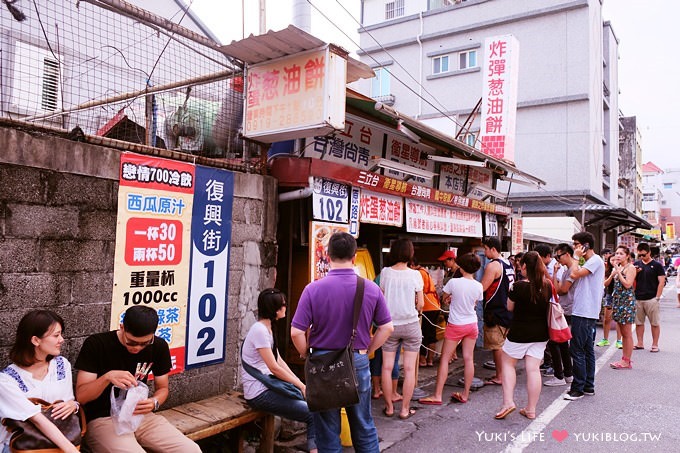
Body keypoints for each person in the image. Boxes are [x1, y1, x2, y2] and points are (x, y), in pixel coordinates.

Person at [291, 232, 393, 453]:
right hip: (357, 360)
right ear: (354, 257)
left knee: (327, 431)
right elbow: (387, 328)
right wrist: (368, 350)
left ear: (328, 256)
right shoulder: (371, 288)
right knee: (363, 426)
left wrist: (304, 354)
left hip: (322, 362)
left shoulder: (313, 289)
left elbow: (296, 332)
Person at [75, 306, 201, 453]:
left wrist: (154, 402)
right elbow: (81, 397)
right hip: (103, 418)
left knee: (191, 450)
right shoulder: (97, 344)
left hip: (139, 414)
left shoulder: (158, 346)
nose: (138, 348)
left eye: (145, 343)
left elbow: (163, 388)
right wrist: (107, 377)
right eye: (132, 342)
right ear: (122, 327)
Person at [241, 289, 316, 452]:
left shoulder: (267, 328)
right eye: (283, 304)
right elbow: (274, 368)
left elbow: (279, 360)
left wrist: (298, 383)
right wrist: (302, 387)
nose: (285, 307)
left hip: (267, 387)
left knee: (315, 407)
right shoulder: (259, 331)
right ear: (273, 309)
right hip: (258, 393)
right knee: (313, 414)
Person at [0, 310, 80, 453]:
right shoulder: (6, 380)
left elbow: (69, 400)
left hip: (58, 444)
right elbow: (37, 419)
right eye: (56, 335)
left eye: (61, 334)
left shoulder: (62, 365)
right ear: (36, 340)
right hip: (22, 447)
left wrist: (73, 405)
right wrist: (72, 450)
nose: (61, 339)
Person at [418, 253, 482, 406]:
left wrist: (449, 299)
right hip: (472, 324)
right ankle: (465, 394)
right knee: (468, 359)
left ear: (461, 266)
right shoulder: (478, 286)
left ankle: (437, 395)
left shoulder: (454, 282)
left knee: (445, 360)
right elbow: (474, 303)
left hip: (456, 324)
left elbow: (444, 297)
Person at [494, 252, 551, 420]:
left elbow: (509, 307)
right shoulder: (547, 285)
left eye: (521, 265)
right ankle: (531, 409)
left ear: (525, 266)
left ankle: (508, 402)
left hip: (519, 332)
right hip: (541, 334)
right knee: (533, 369)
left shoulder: (517, 286)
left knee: (508, 364)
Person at [378, 239, 424, 420]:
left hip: (389, 326)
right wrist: (413, 308)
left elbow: (381, 299)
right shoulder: (415, 275)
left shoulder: (385, 273)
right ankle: (405, 409)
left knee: (387, 367)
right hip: (411, 324)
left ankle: (389, 407)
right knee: (410, 368)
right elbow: (420, 303)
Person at [564, 232, 605, 401]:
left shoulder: (595, 260)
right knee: (587, 350)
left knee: (577, 349)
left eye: (576, 244)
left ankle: (578, 388)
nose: (575, 247)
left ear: (586, 245)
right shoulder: (589, 261)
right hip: (585, 310)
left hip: (585, 311)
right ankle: (588, 385)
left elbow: (574, 275)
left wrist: (575, 257)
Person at [480, 236, 515, 386]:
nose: (485, 252)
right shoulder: (508, 264)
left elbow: (483, 287)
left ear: (493, 249)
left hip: (496, 311)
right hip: (508, 310)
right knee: (504, 346)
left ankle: (500, 376)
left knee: (497, 347)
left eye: (486, 249)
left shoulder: (493, 265)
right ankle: (505, 374)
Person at [544, 244, 576, 387]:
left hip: (567, 308)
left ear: (567, 254)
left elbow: (561, 290)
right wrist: (556, 273)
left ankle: (559, 375)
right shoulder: (565, 270)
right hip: (564, 308)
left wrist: (554, 277)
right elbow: (556, 288)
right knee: (562, 341)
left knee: (555, 341)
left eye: (559, 256)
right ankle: (568, 374)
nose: (557, 259)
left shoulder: (571, 270)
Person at [608, 246, 637, 369]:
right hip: (618, 301)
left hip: (626, 302)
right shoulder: (619, 267)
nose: (618, 256)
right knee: (622, 332)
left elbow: (627, 284)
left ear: (627, 255)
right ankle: (624, 359)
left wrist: (618, 272)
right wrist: (614, 272)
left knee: (627, 333)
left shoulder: (630, 268)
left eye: (621, 253)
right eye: (617, 253)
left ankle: (627, 360)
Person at [633, 243, 666, 352]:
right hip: (638, 297)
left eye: (644, 255)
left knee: (654, 323)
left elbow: (661, 282)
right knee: (639, 322)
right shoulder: (636, 264)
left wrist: (657, 297)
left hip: (652, 298)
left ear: (649, 252)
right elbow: (631, 281)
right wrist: (635, 273)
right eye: (640, 255)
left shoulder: (657, 265)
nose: (642, 257)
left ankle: (655, 344)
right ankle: (640, 343)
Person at [411, 258, 440, 368]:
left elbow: (417, 290)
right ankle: (430, 360)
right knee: (431, 334)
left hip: (426, 307)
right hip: (435, 305)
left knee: (423, 334)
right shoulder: (425, 272)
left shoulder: (419, 273)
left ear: (413, 264)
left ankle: (422, 360)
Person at [598, 252, 622, 349]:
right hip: (609, 295)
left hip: (620, 296)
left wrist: (618, 272)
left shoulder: (623, 269)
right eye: (612, 260)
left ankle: (619, 340)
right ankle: (605, 339)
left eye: (616, 260)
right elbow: (605, 284)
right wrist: (612, 275)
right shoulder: (607, 270)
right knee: (607, 318)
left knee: (619, 319)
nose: (614, 262)